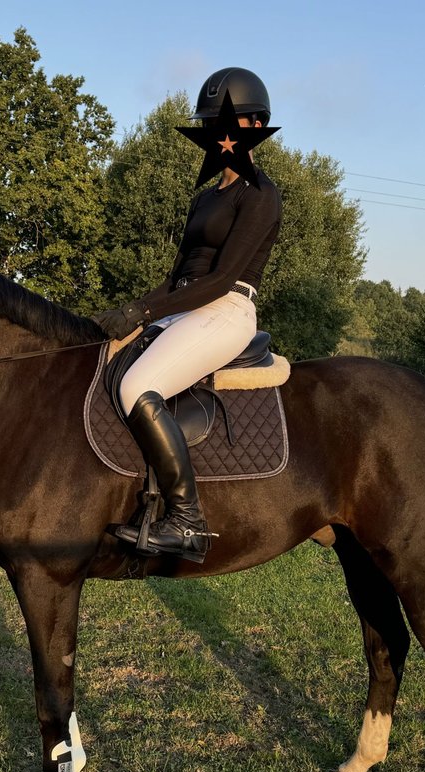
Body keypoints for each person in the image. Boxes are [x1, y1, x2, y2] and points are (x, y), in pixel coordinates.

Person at [92, 67, 282, 564]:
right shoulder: (205, 199)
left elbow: (219, 279)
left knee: (138, 387)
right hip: (185, 307)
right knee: (109, 365)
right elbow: (178, 278)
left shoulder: (260, 194)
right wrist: (127, 311)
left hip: (226, 308)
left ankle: (188, 523)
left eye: (231, 124)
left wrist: (145, 310)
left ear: (256, 126)